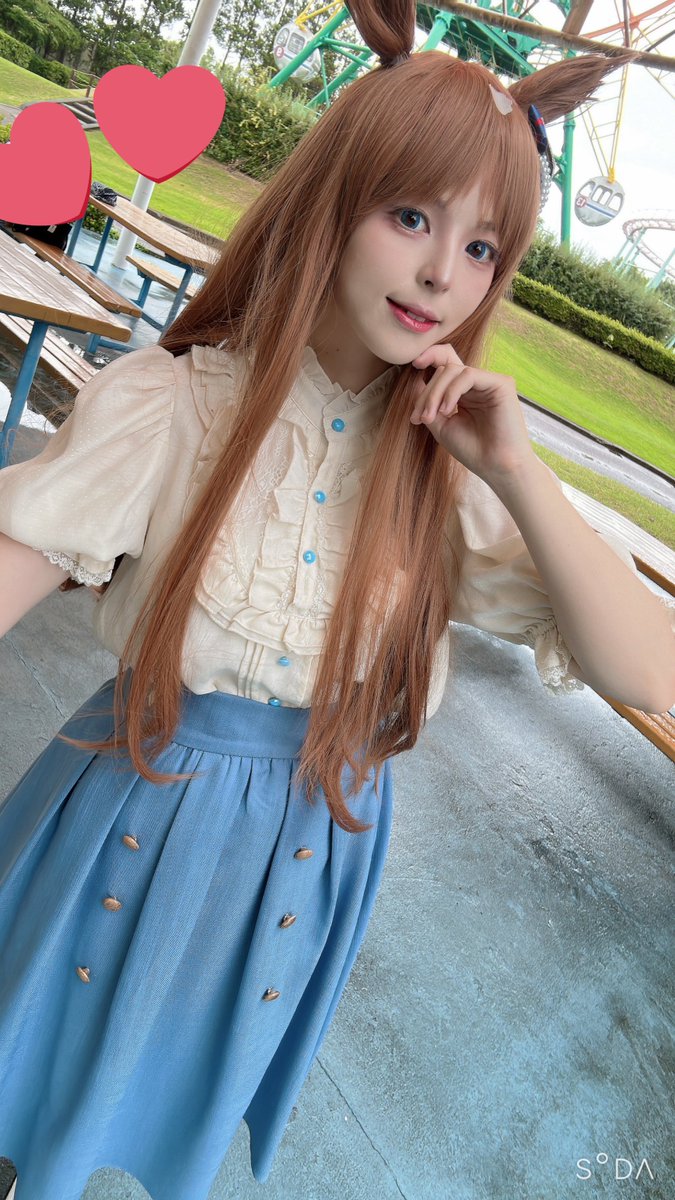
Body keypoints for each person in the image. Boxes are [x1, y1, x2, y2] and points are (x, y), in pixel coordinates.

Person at [0, 2, 673, 1197]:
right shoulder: (178, 404)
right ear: (333, 198)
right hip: (130, 815)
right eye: (411, 215)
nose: (441, 273)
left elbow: (649, 673)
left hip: (295, 870)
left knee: (135, 1113)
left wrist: (519, 470)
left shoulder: (446, 477)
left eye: (482, 247)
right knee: (27, 1084)